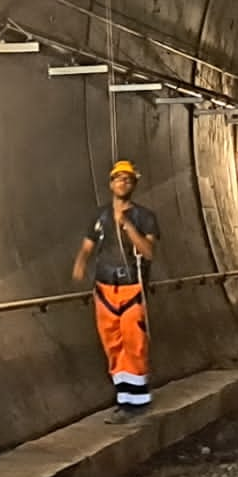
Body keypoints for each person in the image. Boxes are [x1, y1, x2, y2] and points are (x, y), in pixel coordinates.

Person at [71, 159, 159, 420]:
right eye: (119, 178)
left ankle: (138, 401)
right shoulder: (99, 216)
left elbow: (148, 252)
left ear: (134, 185)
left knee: (135, 343)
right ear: (111, 183)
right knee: (113, 345)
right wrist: (79, 265)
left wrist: (128, 226)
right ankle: (125, 398)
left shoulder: (145, 217)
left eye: (128, 179)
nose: (123, 182)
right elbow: (87, 247)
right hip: (105, 288)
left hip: (132, 287)